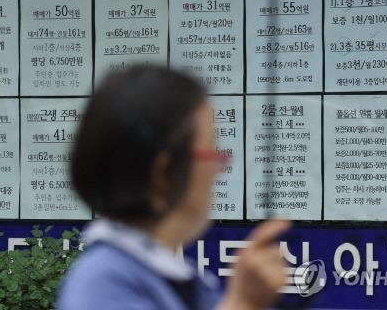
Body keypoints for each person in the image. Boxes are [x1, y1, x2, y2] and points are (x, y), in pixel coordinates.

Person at [56, 65, 291, 310]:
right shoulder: (104, 285)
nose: (219, 169)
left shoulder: (168, 279)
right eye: (211, 153)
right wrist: (242, 304)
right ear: (164, 174)